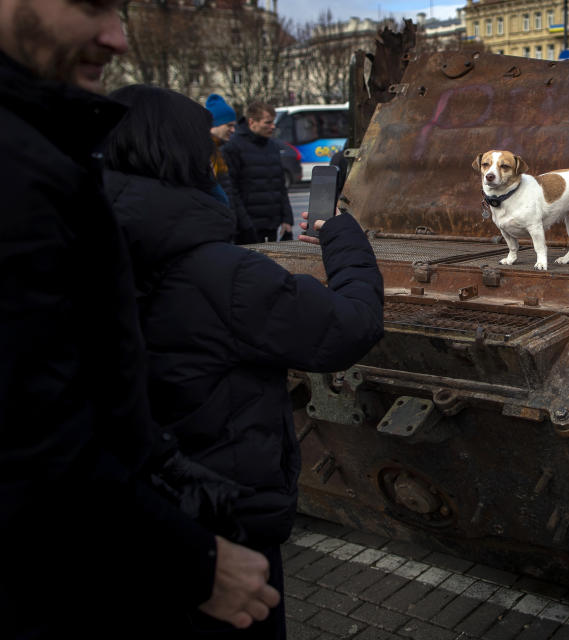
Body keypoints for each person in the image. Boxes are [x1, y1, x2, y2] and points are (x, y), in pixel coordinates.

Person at [0, 1, 280, 637]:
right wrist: (188, 557)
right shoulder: (24, 169)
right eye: (90, 2)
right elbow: (31, 433)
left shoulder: (52, 152)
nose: (118, 37)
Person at [103, 84, 385, 639]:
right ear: (182, 158)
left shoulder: (67, 243)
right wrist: (345, 239)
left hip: (134, 516)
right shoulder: (220, 273)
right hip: (222, 521)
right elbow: (350, 326)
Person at [223, 101, 295, 242]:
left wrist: (287, 219)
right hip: (247, 229)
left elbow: (280, 185)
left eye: (273, 122)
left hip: (271, 226)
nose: (273, 127)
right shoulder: (233, 148)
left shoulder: (272, 146)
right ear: (252, 122)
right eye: (267, 123)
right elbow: (232, 190)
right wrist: (244, 224)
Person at [206, 93, 257, 243]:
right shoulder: (206, 154)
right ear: (214, 125)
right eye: (229, 125)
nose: (233, 130)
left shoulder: (217, 152)